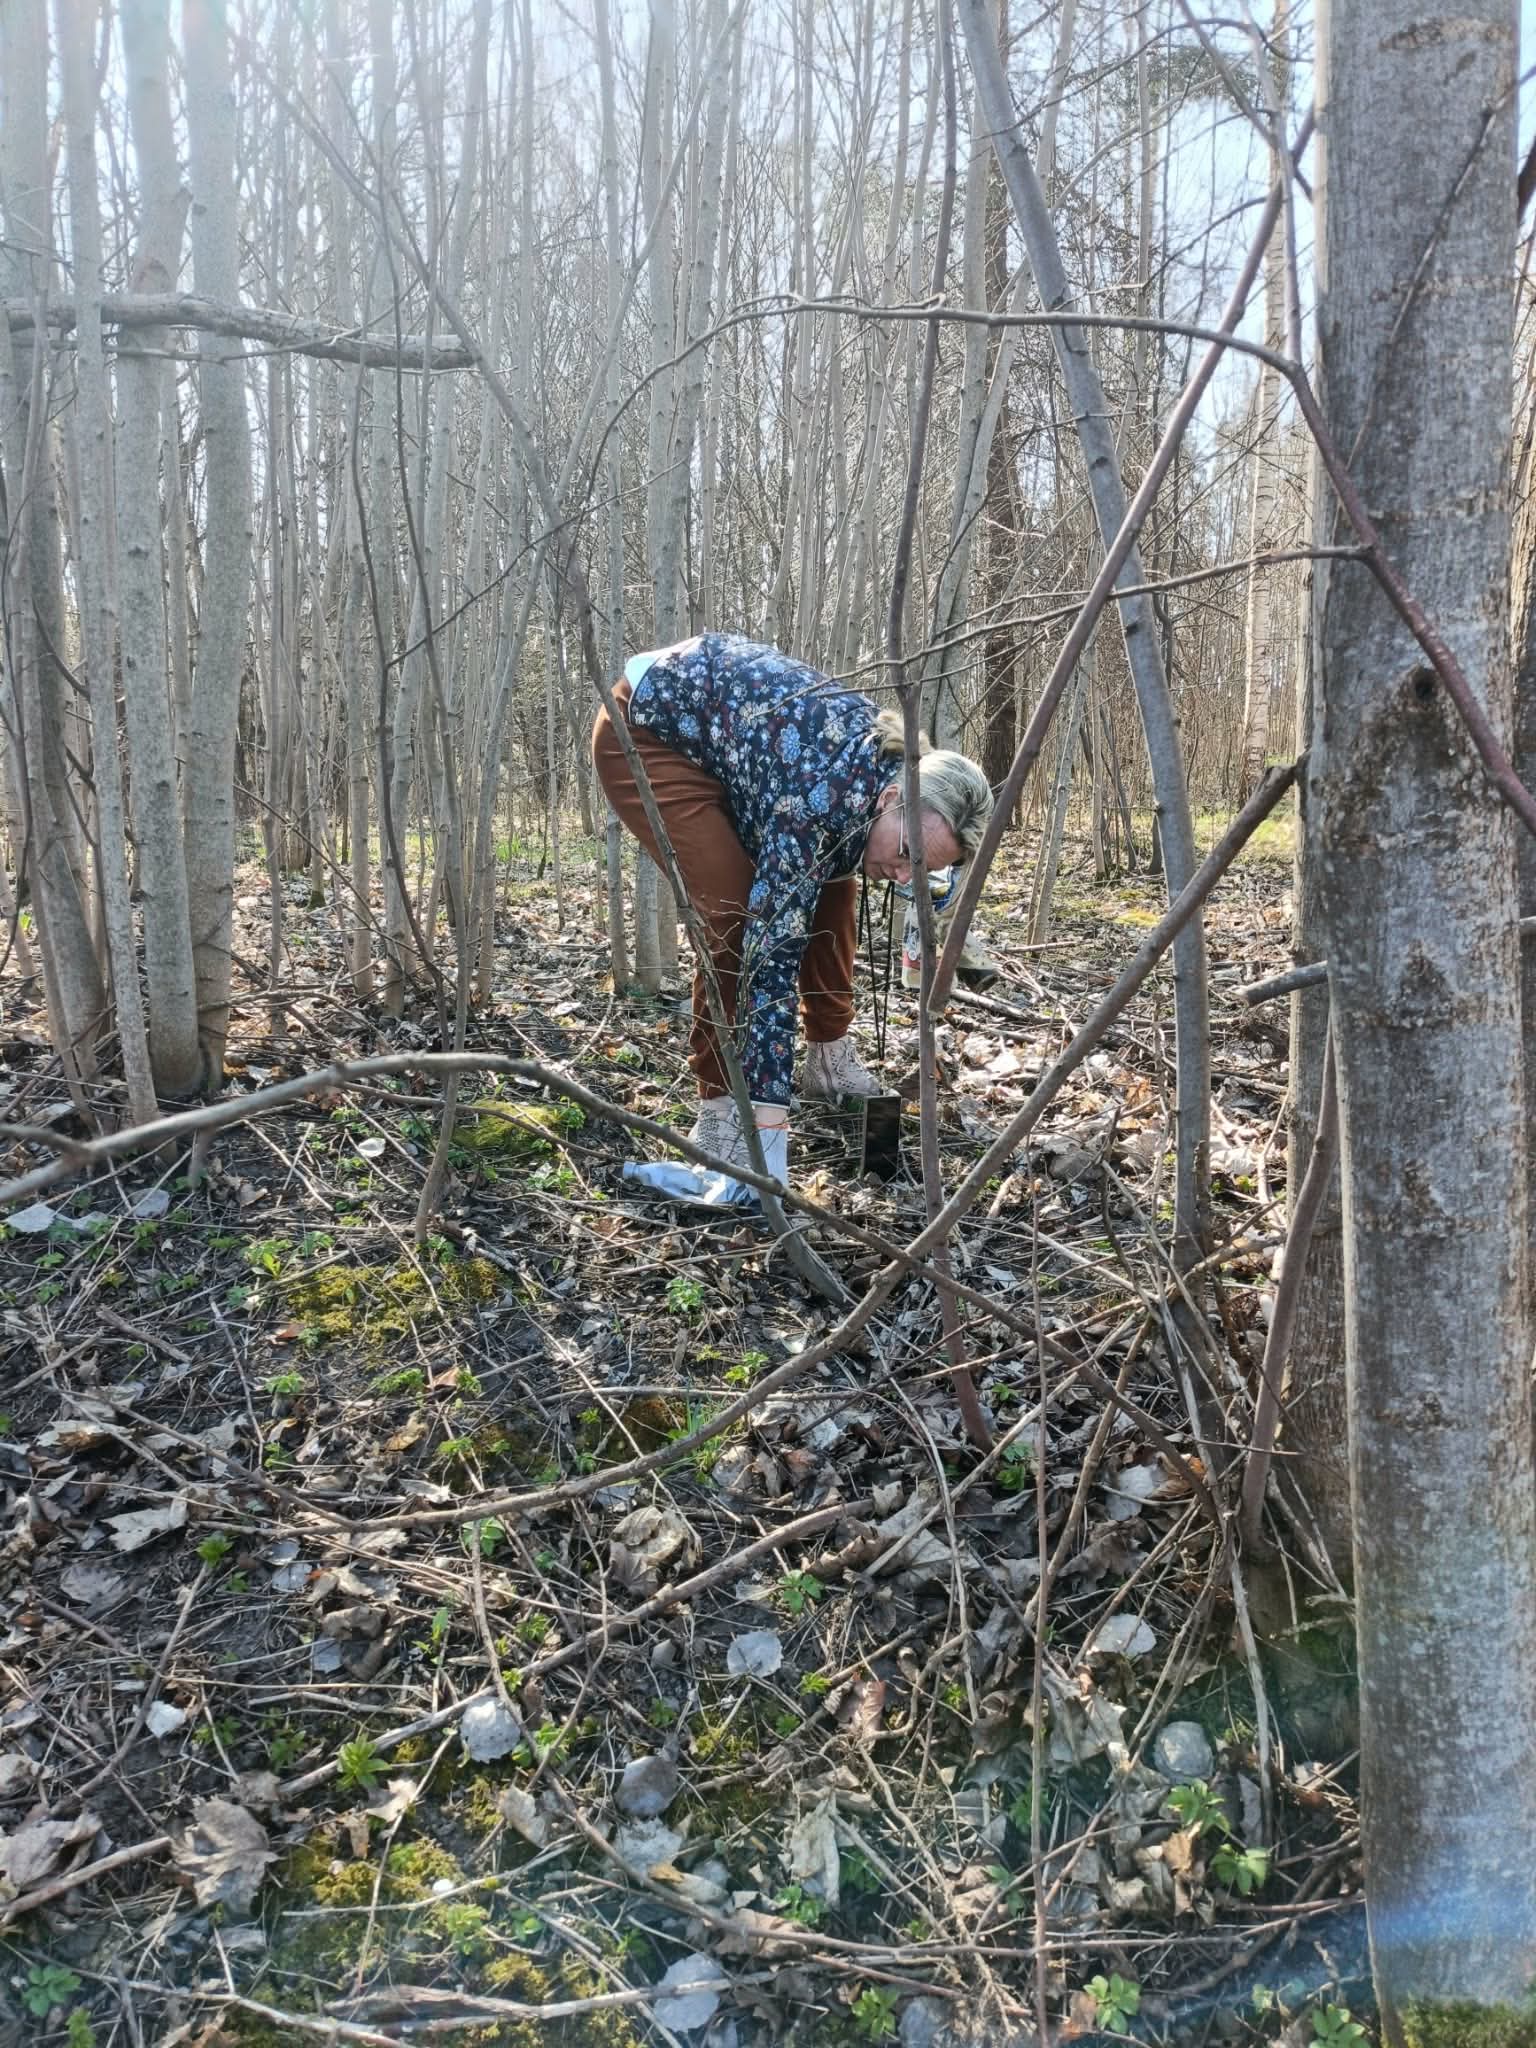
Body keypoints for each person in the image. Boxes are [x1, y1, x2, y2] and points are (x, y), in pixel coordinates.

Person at [592, 632, 994, 1192]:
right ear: (889, 799)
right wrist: (768, 1129)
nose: (906, 876)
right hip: (648, 727)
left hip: (731, 738)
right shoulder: (815, 797)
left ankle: (828, 1059)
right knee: (735, 917)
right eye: (907, 855)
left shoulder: (887, 786)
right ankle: (722, 1114)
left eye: (924, 870)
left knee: (834, 888)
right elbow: (771, 962)